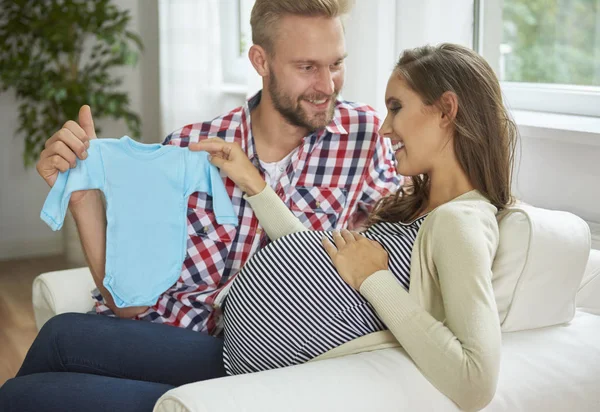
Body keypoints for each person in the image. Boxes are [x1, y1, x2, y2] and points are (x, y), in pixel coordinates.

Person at [0, 0, 399, 410]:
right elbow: (128, 302)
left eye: (336, 64)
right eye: (307, 67)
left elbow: (406, 235)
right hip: (176, 336)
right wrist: (82, 198)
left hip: (261, 356)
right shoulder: (190, 148)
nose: (328, 86)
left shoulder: (363, 137)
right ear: (261, 61)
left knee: (22, 393)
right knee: (57, 339)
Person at [194, 43, 517, 411]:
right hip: (237, 358)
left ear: (446, 111)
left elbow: (475, 382)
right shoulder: (419, 205)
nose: (385, 128)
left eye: (396, 108)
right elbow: (320, 261)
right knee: (109, 341)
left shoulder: (460, 222)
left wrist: (374, 280)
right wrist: (254, 183)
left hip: (266, 386)